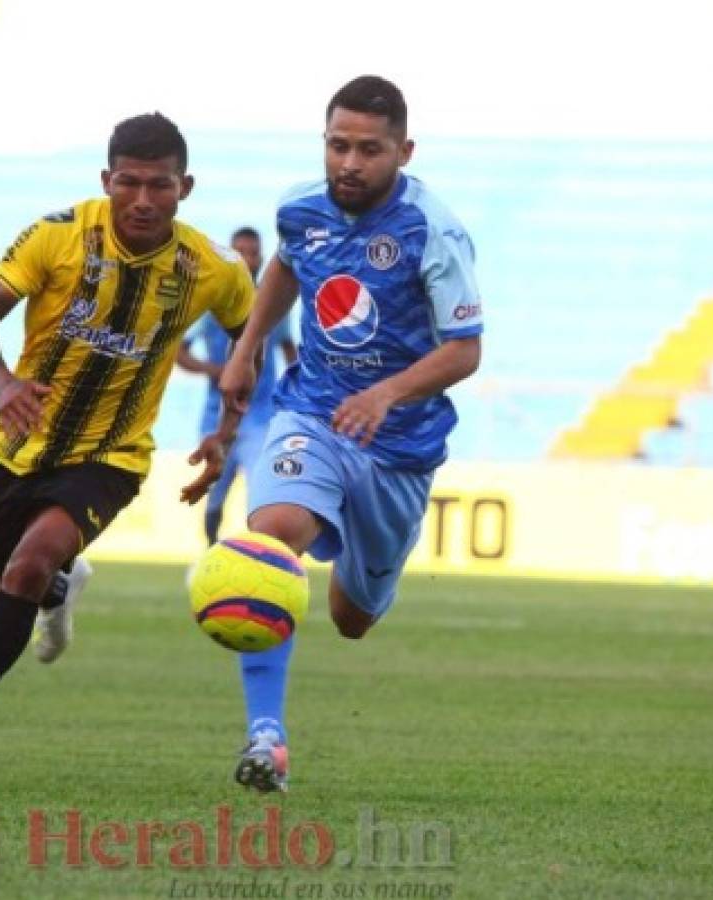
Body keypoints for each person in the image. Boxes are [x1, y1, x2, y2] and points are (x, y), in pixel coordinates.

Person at [0, 112, 255, 777]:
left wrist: (225, 433)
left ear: (186, 188)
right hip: (19, 446)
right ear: (105, 180)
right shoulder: (57, 236)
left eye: (160, 186)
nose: (143, 200)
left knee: (25, 568)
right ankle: (63, 589)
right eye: (129, 183)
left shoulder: (210, 268)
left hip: (111, 456)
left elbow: (249, 335)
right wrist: (1, 383)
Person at [219, 76, 484, 792]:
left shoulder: (434, 229)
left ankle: (371, 577)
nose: (349, 163)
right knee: (269, 537)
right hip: (311, 413)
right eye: (338, 145)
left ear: (403, 149)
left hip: (399, 447)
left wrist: (387, 393)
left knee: (349, 617)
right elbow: (285, 264)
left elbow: (464, 350)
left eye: (369, 149)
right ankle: (265, 739)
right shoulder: (300, 209)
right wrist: (245, 352)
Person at [175, 227, 297, 546]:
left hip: (261, 416)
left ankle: (256, 556)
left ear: (261, 258)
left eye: (253, 252)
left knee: (260, 488)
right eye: (239, 251)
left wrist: (296, 388)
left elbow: (289, 350)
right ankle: (211, 551)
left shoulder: (273, 303)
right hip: (217, 416)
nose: (246, 258)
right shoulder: (213, 301)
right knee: (215, 494)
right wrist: (216, 370)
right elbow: (179, 353)